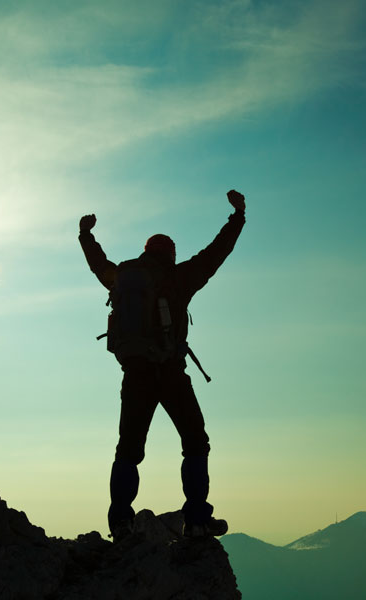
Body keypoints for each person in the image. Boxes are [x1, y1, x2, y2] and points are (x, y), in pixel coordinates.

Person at [78, 189, 246, 542]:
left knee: (129, 449)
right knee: (195, 443)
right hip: (170, 373)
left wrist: (86, 235)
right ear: (170, 255)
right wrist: (237, 216)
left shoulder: (123, 277)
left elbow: (98, 265)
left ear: (144, 252)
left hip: (135, 374)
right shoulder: (179, 278)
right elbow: (216, 254)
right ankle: (197, 520)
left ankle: (121, 523)